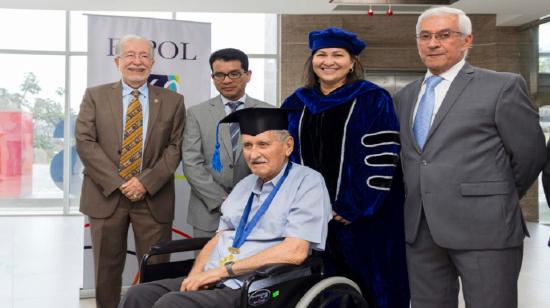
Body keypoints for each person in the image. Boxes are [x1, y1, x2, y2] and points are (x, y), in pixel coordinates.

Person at [394, 7, 546, 308]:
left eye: (444, 35)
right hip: (421, 230)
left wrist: (495, 195)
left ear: (467, 41)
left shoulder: (502, 86)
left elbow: (531, 154)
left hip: (485, 228)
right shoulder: (404, 96)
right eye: (425, 36)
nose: (433, 43)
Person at [119, 107, 332, 308]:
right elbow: (219, 238)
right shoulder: (245, 185)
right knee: (138, 295)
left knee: (172, 304)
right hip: (218, 276)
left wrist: (222, 272)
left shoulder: (308, 182)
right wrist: (197, 273)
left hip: (260, 285)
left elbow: (295, 252)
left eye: (263, 144)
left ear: (288, 146)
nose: (253, 154)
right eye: (247, 145)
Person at [282, 27, 410, 308]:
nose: (329, 61)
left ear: (352, 62)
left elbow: (384, 155)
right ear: (312, 61)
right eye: (321, 54)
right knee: (319, 289)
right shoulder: (295, 103)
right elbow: (288, 160)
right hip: (313, 219)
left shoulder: (373, 99)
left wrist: (352, 205)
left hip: (366, 218)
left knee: (375, 288)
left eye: (338, 54)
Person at [75, 34, 186, 308]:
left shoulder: (173, 100)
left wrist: (144, 183)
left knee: (156, 270)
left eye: (144, 56)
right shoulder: (95, 96)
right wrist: (120, 182)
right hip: (105, 196)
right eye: (130, 56)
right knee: (106, 270)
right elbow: (85, 142)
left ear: (152, 61)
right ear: (118, 61)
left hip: (153, 197)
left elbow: (175, 147)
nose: (137, 62)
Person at [182, 48, 271, 239]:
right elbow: (191, 163)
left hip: (256, 207)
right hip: (209, 212)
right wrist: (222, 200)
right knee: (206, 267)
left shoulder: (268, 111)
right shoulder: (197, 113)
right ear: (212, 77)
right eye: (219, 75)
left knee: (249, 267)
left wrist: (248, 197)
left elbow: (274, 162)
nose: (227, 80)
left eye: (234, 74)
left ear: (248, 75)